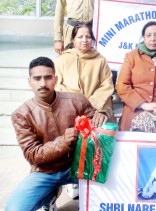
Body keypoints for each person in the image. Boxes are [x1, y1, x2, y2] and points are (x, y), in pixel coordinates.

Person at [5, 57, 107, 211]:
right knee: (14, 208)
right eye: (37, 78)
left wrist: (103, 115)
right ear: (29, 81)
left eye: (48, 77)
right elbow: (32, 154)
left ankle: (78, 190)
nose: (43, 83)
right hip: (46, 172)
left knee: (113, 186)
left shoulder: (77, 100)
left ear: (56, 79)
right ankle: (49, 195)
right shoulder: (22, 114)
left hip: (78, 166)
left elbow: (97, 132)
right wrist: (63, 142)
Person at [55, 23, 114, 119]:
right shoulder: (63, 59)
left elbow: (107, 86)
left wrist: (90, 104)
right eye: (80, 37)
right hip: (67, 107)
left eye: (88, 37)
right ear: (73, 40)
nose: (84, 40)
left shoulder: (100, 60)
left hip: (93, 108)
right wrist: (71, 102)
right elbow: (56, 84)